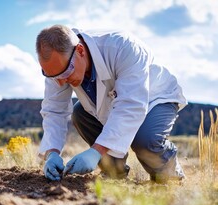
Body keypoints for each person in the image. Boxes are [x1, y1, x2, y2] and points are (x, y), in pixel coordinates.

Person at [36, 24, 187, 183]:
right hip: (114, 104)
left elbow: (130, 106)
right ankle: (114, 174)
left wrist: (95, 152)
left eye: (66, 73)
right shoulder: (59, 67)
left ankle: (172, 178)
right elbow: (54, 111)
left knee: (144, 141)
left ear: (80, 51)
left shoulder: (123, 47)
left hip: (154, 98)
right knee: (80, 113)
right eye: (53, 77)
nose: (60, 83)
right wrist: (52, 153)